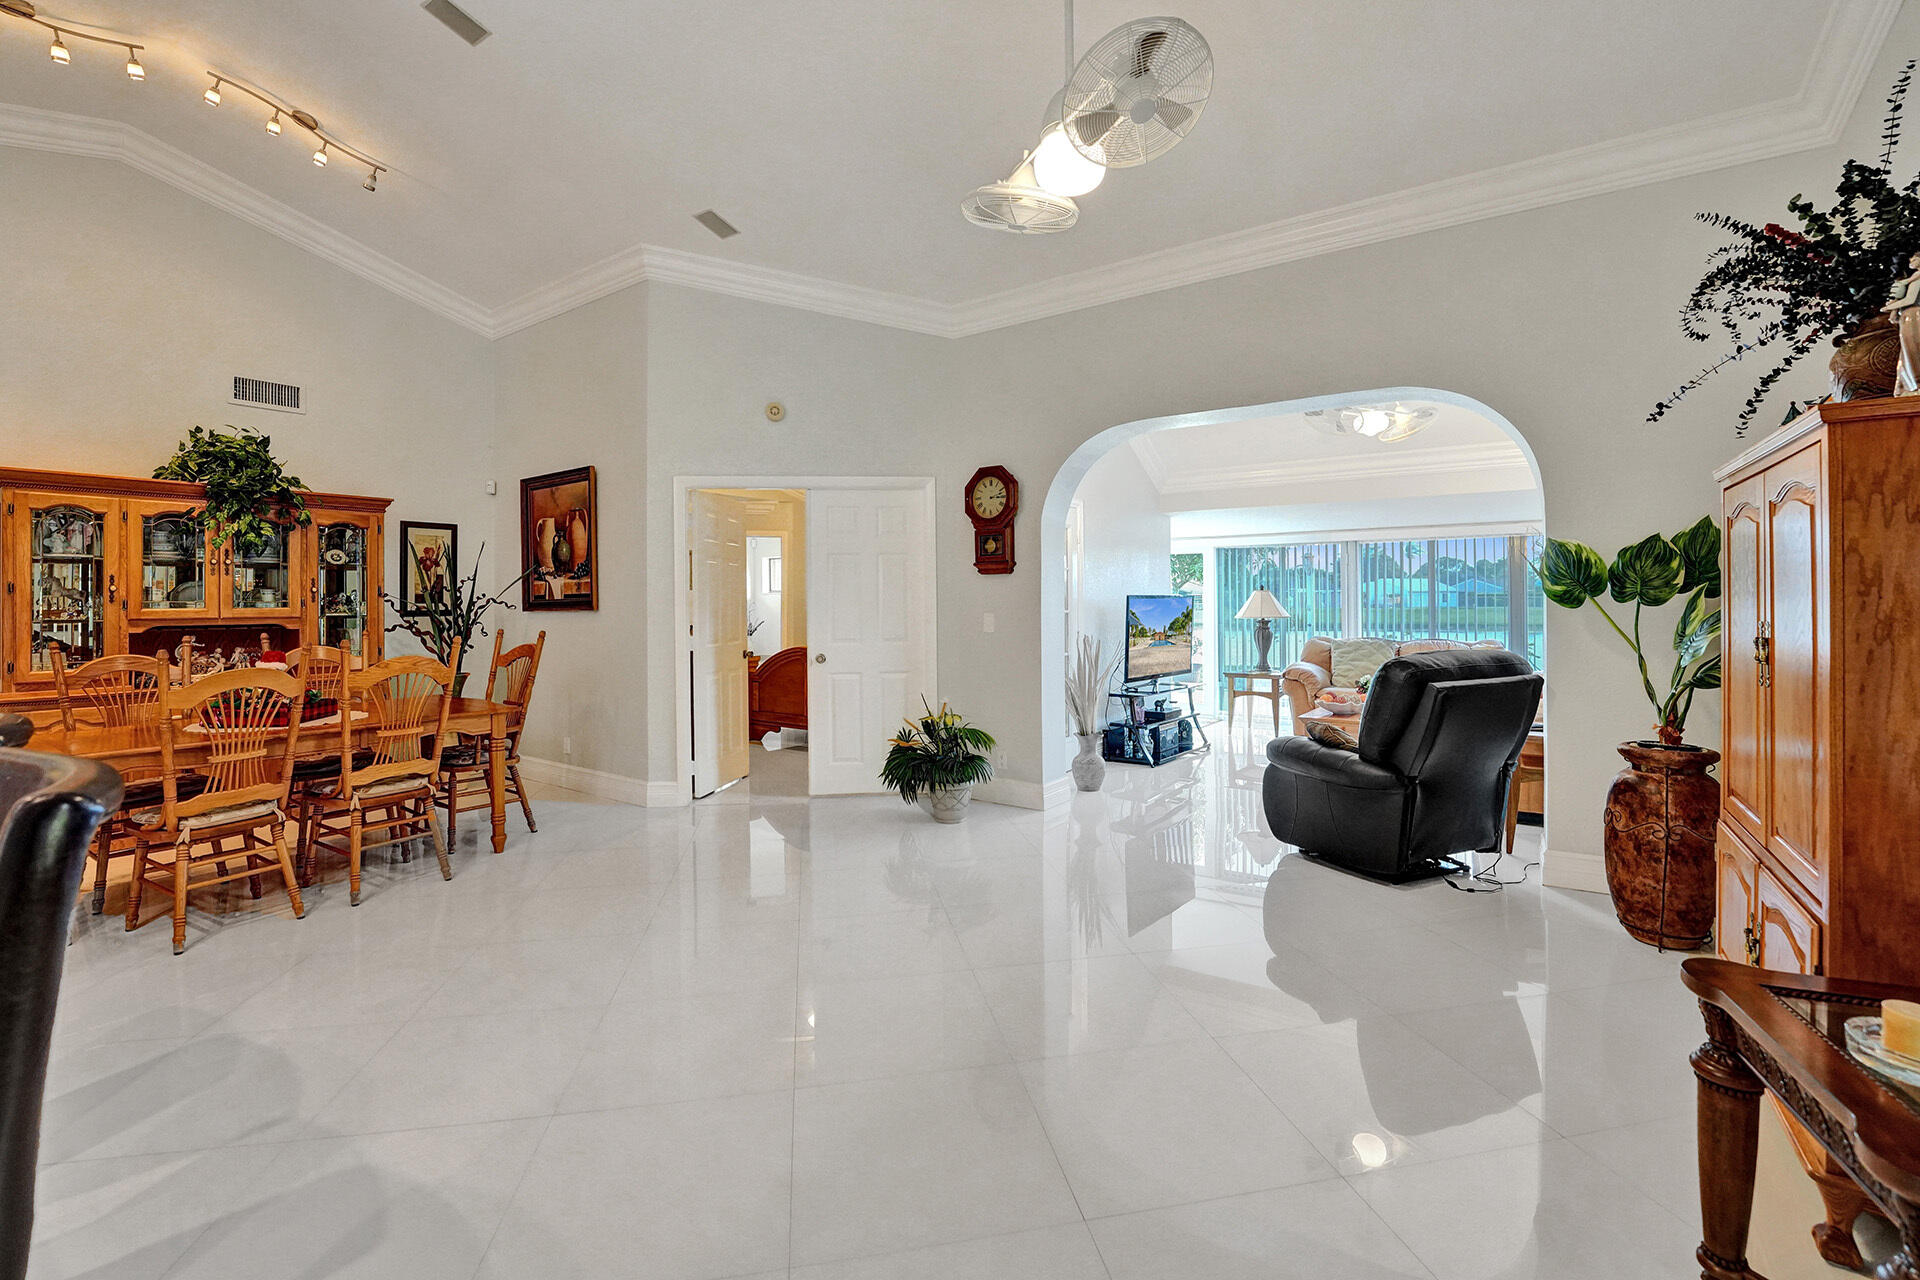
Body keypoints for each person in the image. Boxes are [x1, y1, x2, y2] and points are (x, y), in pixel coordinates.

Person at [1883, 252, 1920, 394]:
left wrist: (1888, 308)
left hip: (1913, 316)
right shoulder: (1912, 278)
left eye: (1915, 259)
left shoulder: (1917, 279)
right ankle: (1906, 386)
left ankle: (1915, 384)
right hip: (1908, 316)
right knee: (1907, 350)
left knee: (1912, 350)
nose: (1911, 261)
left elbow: (1910, 300)